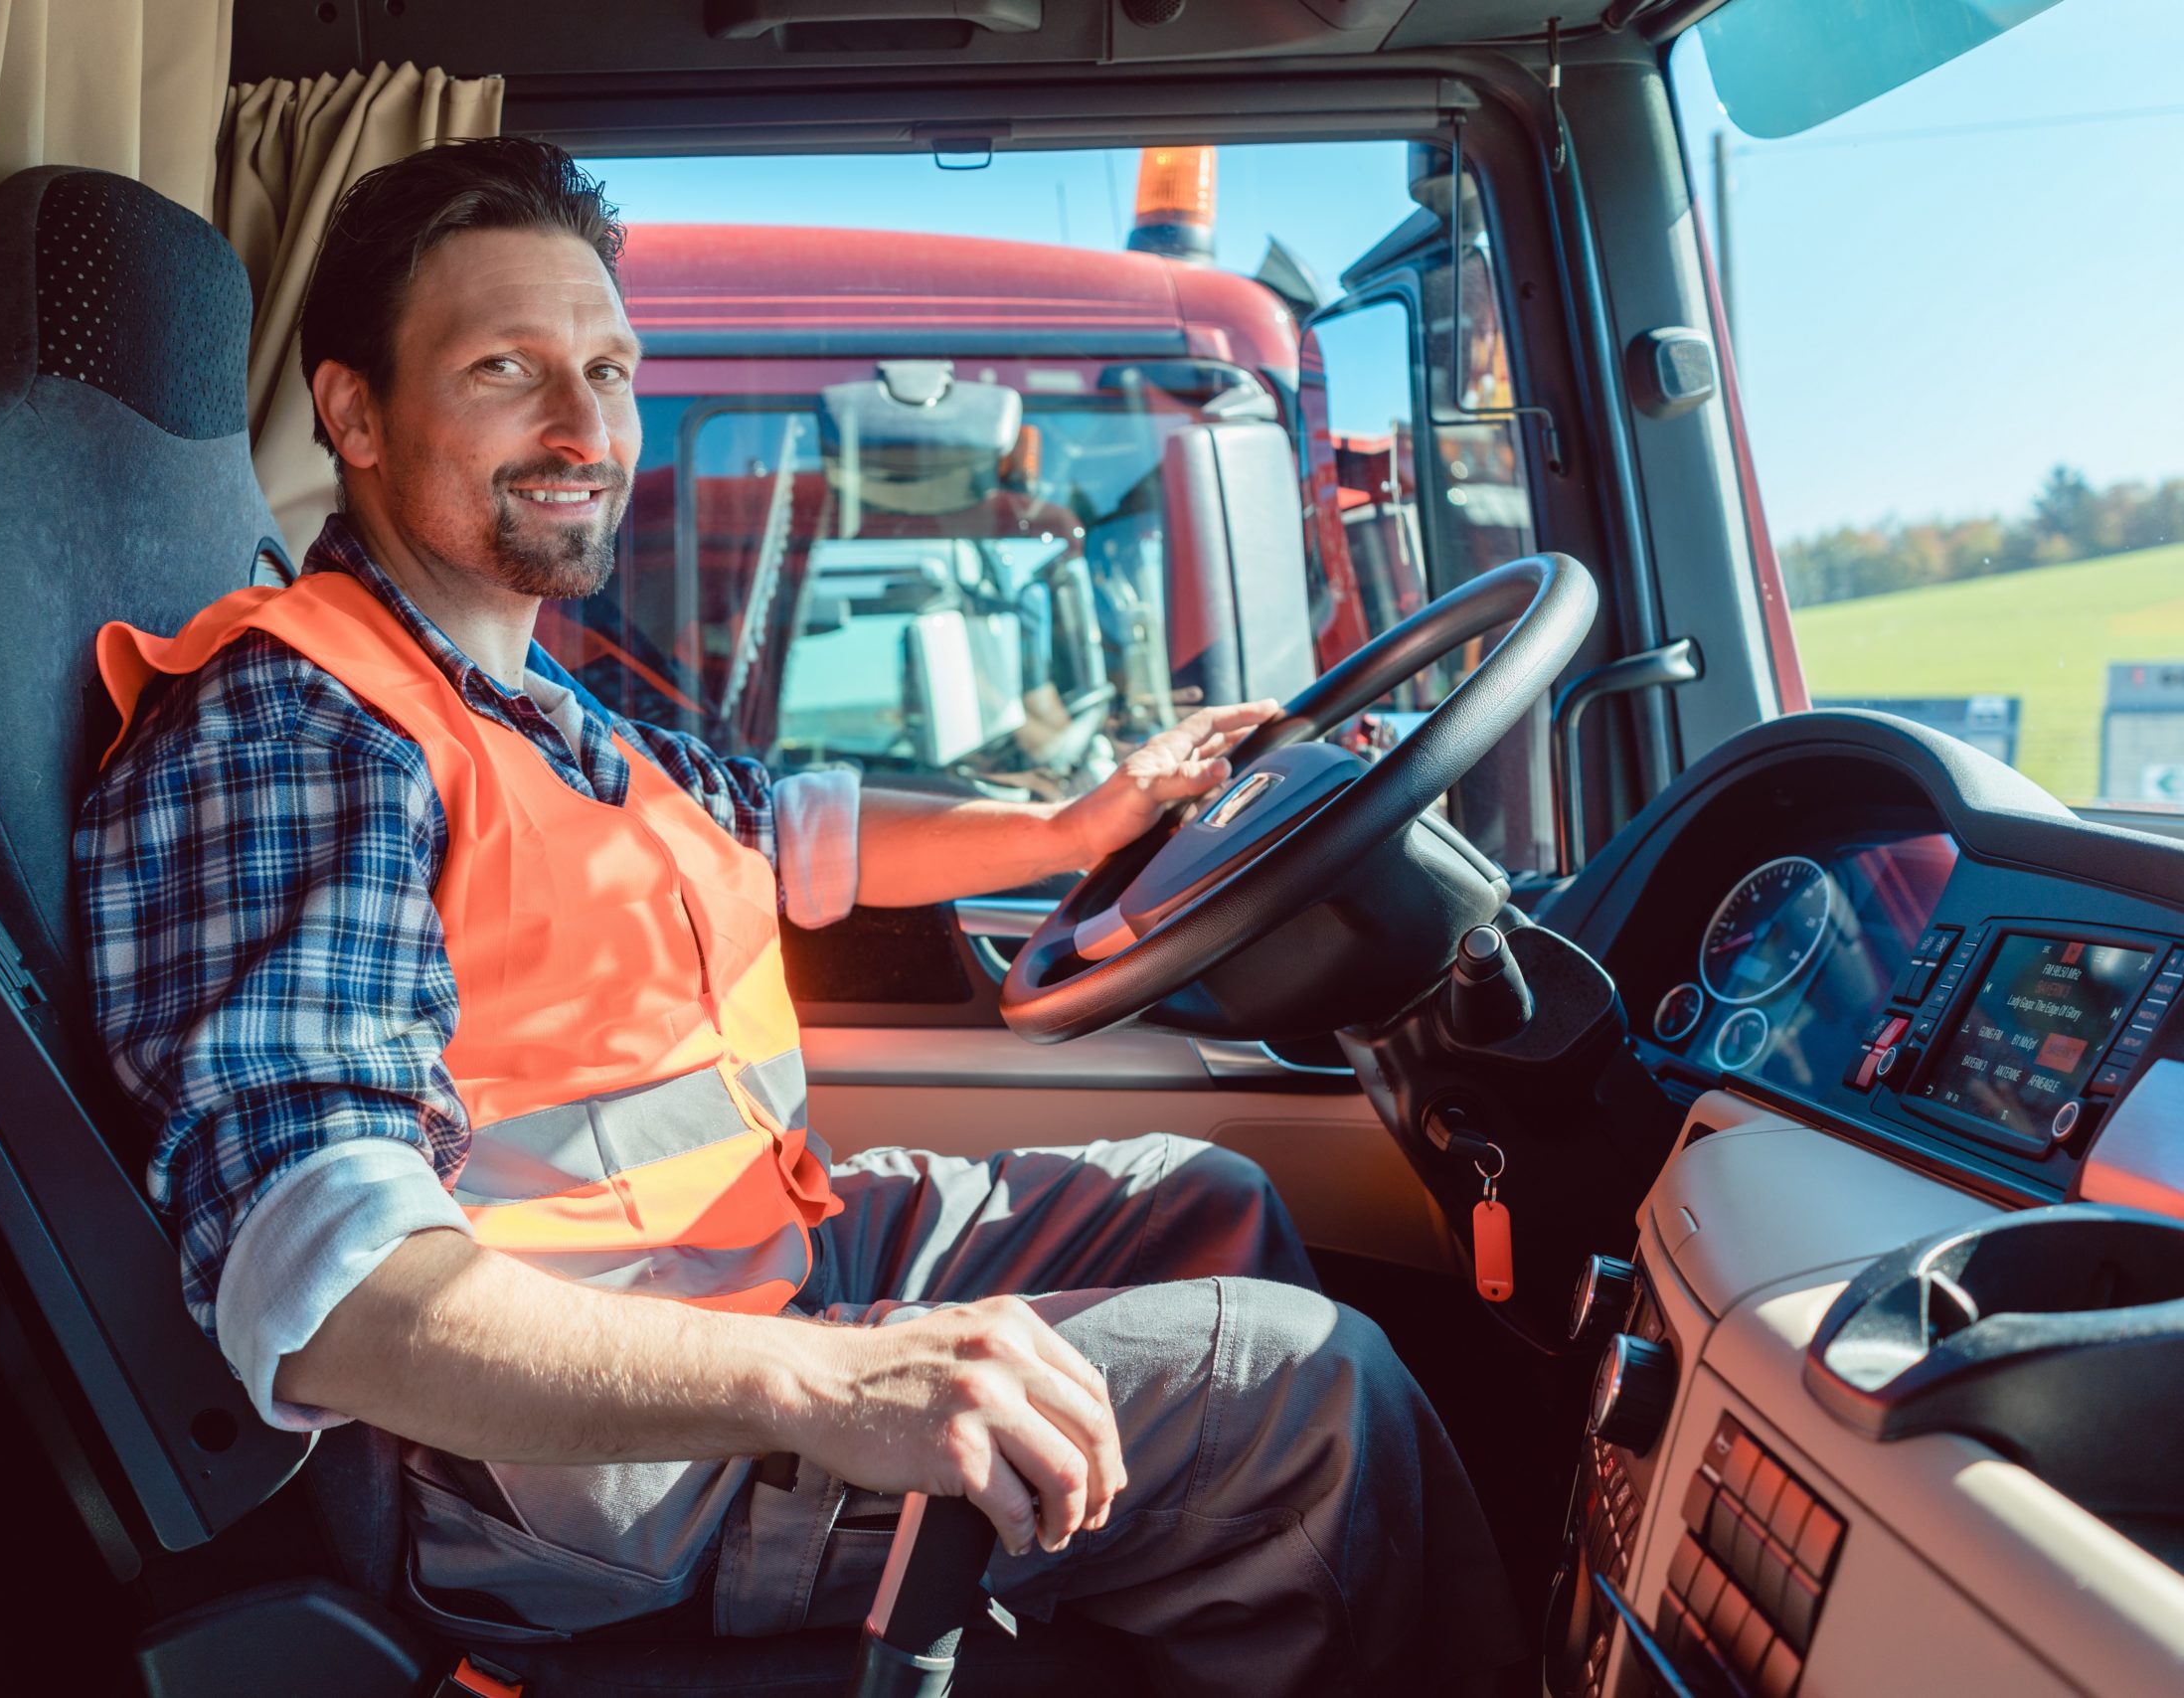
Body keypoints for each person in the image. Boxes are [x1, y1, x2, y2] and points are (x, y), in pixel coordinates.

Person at [76, 136, 1520, 1696]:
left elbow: (779, 828)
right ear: (353, 413)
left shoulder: (515, 693)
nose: (586, 429)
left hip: (738, 1264)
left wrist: (1068, 822)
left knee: (1202, 1200)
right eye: (508, 370)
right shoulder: (305, 724)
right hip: (567, 1483)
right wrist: (826, 1379)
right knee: (1311, 1396)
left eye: (611, 370)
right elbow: (332, 1293)